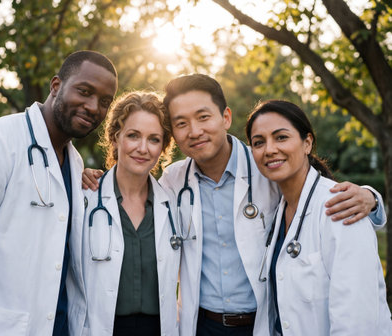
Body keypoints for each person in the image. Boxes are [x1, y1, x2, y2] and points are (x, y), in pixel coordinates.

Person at [82, 74, 386, 336]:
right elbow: (130, 182)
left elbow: (310, 189)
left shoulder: (267, 169)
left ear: (225, 117)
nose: (195, 131)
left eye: (203, 117)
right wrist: (89, 177)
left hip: (260, 323)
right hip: (201, 324)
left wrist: (371, 198)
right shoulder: (174, 180)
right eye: (181, 123)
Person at [0, 50, 118, 336]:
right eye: (84, 91)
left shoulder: (73, 164)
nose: (93, 106)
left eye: (104, 102)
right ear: (56, 86)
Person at [245, 99, 391, 335]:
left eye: (281, 137)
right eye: (258, 142)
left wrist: (371, 198)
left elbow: (357, 320)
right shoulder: (277, 207)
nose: (269, 149)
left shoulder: (339, 208)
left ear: (307, 143)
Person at [80, 91, 180, 336]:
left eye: (154, 139)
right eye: (133, 135)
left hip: (158, 329)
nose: (142, 148)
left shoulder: (174, 203)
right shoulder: (85, 198)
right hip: (103, 327)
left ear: (164, 147)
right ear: (115, 138)